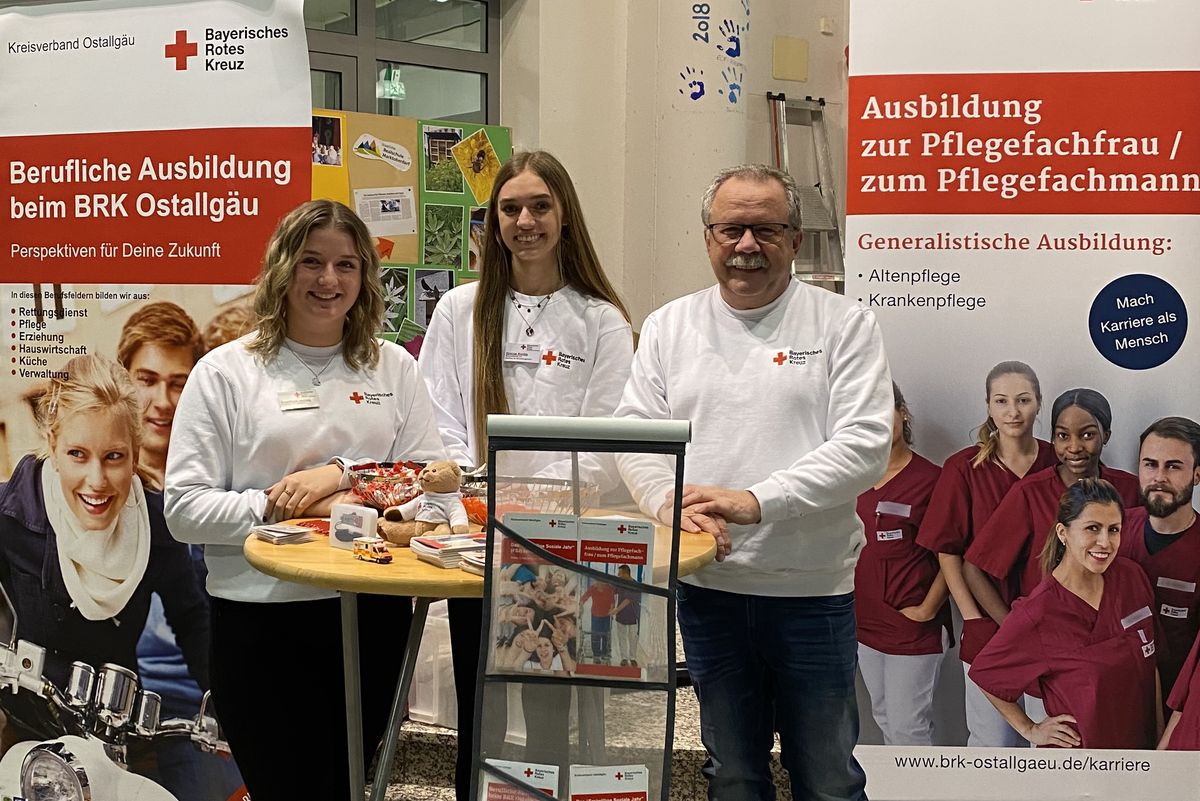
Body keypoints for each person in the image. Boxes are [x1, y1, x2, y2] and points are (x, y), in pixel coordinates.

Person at [616, 164, 892, 801]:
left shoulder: (844, 324)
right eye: (731, 229)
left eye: (765, 230)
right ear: (707, 238)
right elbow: (637, 434)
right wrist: (667, 503)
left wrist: (757, 501)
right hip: (709, 587)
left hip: (811, 591)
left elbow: (864, 446)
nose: (746, 244)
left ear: (795, 239)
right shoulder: (668, 326)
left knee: (828, 779)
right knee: (734, 774)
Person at [164, 200, 447, 801]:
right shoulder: (225, 373)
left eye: (346, 264)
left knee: (342, 786)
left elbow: (427, 481)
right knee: (282, 786)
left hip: (370, 614)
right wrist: (284, 505)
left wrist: (341, 474)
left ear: (365, 276)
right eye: (311, 261)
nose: (328, 280)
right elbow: (184, 510)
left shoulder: (394, 367)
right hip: (260, 615)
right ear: (282, 267)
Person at [417, 150, 633, 801]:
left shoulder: (601, 318)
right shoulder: (458, 309)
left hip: (557, 546)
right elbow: (438, 417)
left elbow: (608, 435)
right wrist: (472, 499)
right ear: (493, 222)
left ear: (565, 216)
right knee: (478, 702)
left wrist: (540, 504)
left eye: (540, 206)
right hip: (473, 541)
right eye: (510, 208)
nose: (525, 221)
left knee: (547, 709)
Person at [0, 354, 209, 757]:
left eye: (114, 456)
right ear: (53, 447)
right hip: (28, 734)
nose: (96, 482)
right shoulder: (13, 515)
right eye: (77, 454)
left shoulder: (157, 527)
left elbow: (193, 622)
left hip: (120, 733)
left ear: (135, 454)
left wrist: (229, 711)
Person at [121, 304, 246, 801]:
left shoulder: (220, 482)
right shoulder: (100, 488)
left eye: (179, 384)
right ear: (123, 379)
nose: (163, 402)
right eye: (146, 380)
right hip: (137, 705)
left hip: (217, 699)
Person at [915, 361, 1057, 747]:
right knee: (991, 742)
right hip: (988, 621)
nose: (1013, 411)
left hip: (1048, 625)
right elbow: (948, 552)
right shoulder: (963, 468)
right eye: (1002, 401)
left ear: (1039, 403)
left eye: (1023, 400)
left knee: (1050, 741)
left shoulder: (1059, 462)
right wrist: (973, 619)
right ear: (988, 406)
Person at [970, 479, 1161, 749]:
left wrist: (1161, 745)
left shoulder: (1132, 578)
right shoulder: (1038, 613)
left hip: (1140, 756)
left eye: (1113, 530)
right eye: (1092, 528)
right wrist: (1029, 729)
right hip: (1079, 762)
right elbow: (986, 675)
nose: (1105, 542)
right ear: (1063, 533)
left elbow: (1150, 665)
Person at [966, 388, 1140, 615]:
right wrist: (1014, 627)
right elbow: (974, 568)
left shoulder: (1130, 489)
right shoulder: (1030, 493)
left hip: (1112, 621)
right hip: (1048, 623)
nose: (1074, 447)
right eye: (1063, 436)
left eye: (1087, 435)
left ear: (1105, 435)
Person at [854, 382, 949, 746]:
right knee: (883, 718)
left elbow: (951, 555)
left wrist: (927, 610)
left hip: (913, 628)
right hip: (865, 623)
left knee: (909, 727)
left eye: (886, 410)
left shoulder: (932, 481)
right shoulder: (855, 478)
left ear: (903, 412)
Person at [1119, 417, 1200, 699]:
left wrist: (1179, 713)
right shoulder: (1111, 530)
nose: (1159, 477)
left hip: (1181, 702)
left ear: (1197, 474)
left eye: (1173, 466)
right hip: (1113, 698)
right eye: (1150, 464)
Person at [612, 565, 642, 667]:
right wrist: (612, 606)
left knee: (633, 637)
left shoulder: (635, 585)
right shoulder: (619, 584)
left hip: (633, 615)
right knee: (622, 637)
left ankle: (633, 658)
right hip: (621, 616)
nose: (618, 575)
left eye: (620, 574)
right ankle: (624, 658)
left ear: (625, 574)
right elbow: (613, 593)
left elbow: (628, 600)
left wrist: (616, 610)